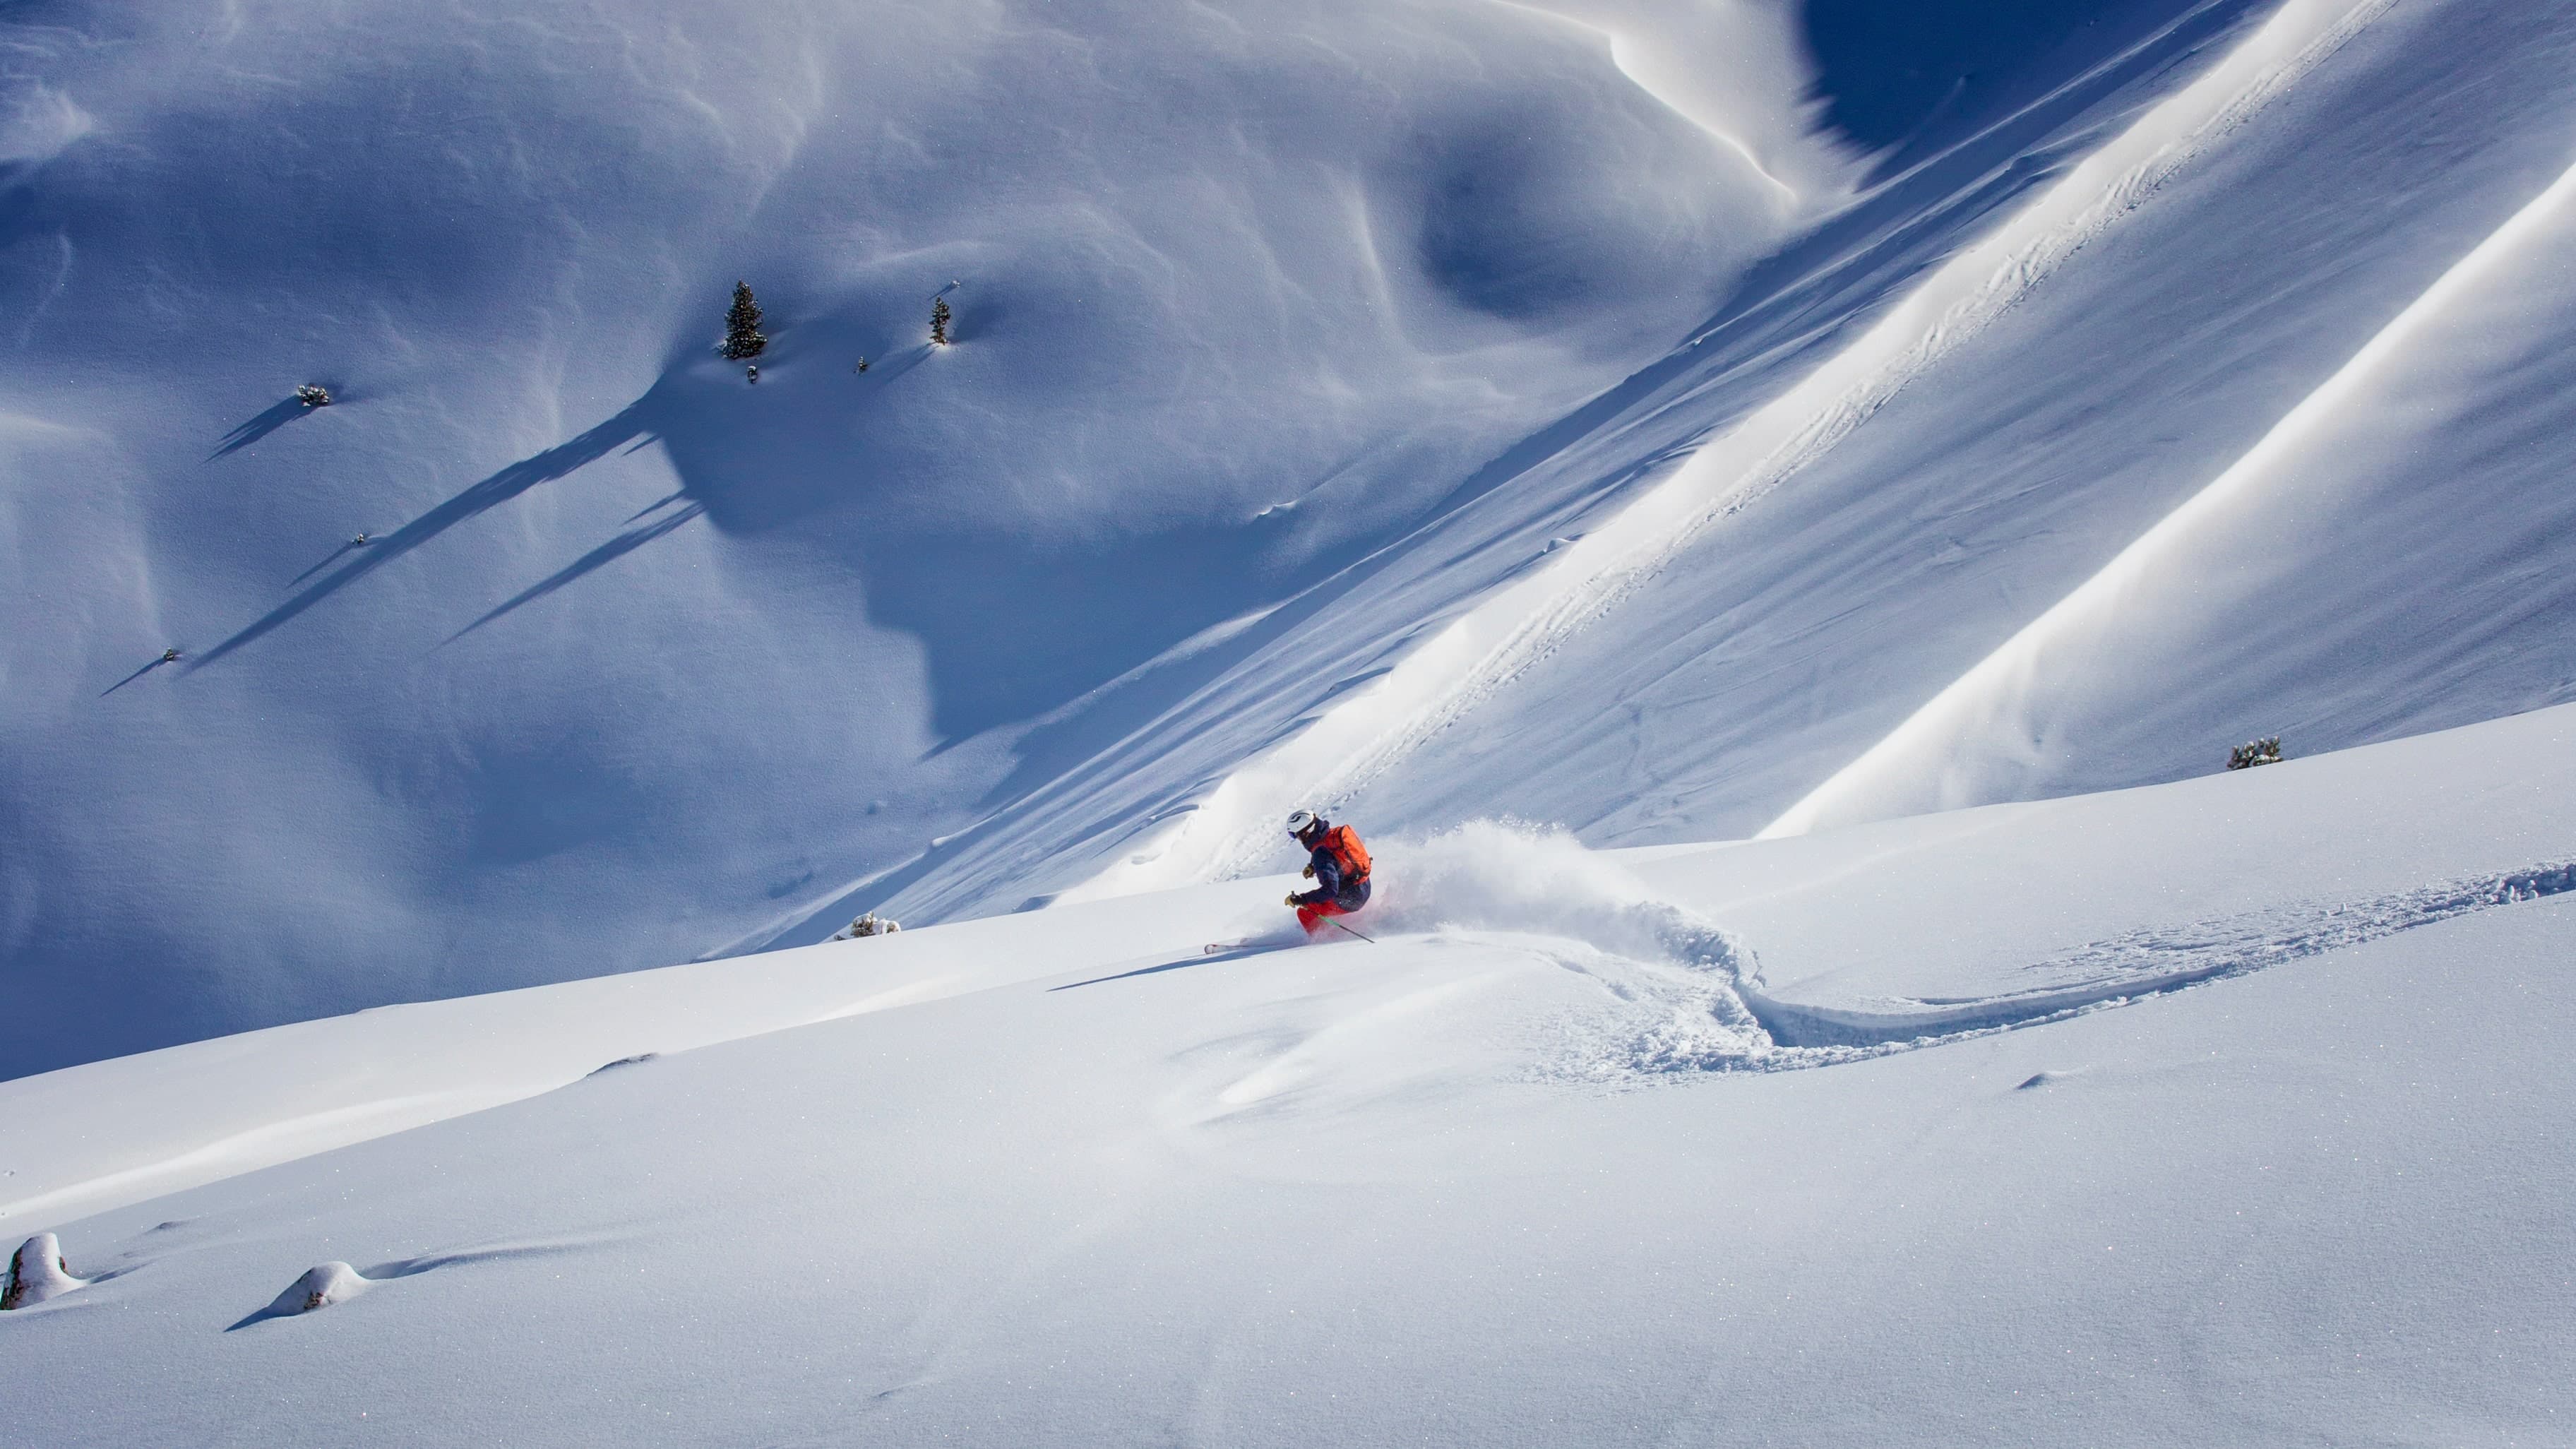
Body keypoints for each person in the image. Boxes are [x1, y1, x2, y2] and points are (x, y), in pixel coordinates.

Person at [1283, 808, 1370, 935]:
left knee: (1304, 912)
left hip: (1351, 900)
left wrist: (1300, 900)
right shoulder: (1333, 836)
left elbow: (1330, 890)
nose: (1299, 840)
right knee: (1321, 897)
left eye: (1296, 836)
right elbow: (1336, 857)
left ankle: (1324, 940)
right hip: (1364, 885)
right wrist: (1313, 867)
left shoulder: (1320, 855)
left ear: (1306, 833)